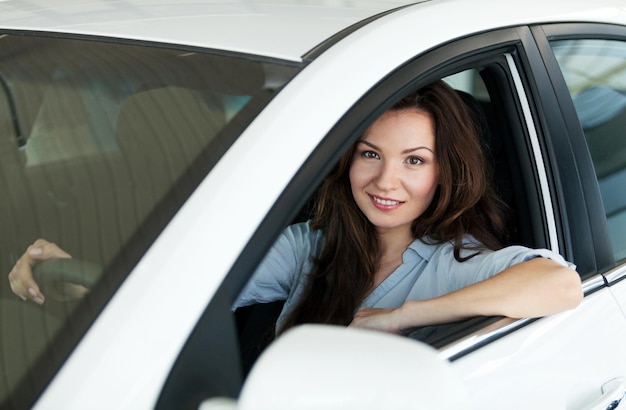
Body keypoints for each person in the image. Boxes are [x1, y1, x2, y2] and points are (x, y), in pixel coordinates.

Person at [8, 80, 583, 336]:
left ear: (444, 171)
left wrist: (396, 316)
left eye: (414, 161)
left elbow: (560, 286)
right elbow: (188, 291)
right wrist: (72, 275)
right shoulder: (311, 244)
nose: (385, 181)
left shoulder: (453, 261)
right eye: (369, 154)